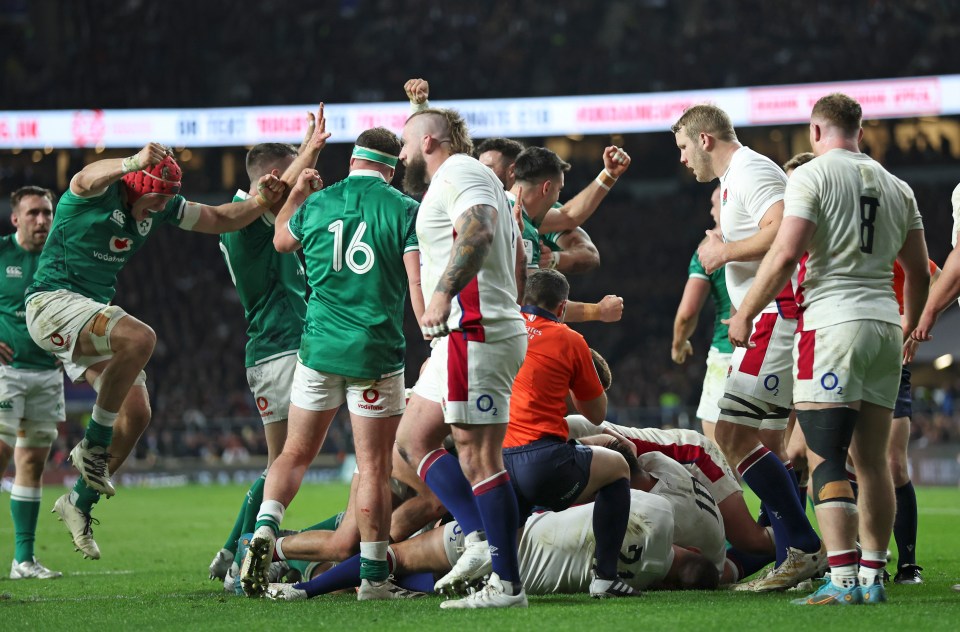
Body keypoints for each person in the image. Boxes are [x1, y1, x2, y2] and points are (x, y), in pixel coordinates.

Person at [24, 143, 286, 559]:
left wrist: (260, 201)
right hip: (51, 304)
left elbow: (219, 218)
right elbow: (82, 178)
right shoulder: (98, 192)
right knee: (141, 338)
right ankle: (92, 446)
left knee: (137, 413)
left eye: (167, 200)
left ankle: (78, 503)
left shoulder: (161, 206)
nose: (161, 208)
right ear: (136, 185)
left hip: (89, 315)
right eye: (156, 199)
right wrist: (129, 162)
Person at [726, 93, 929, 605]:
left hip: (832, 324)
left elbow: (786, 251)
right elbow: (920, 271)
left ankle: (841, 580)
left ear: (816, 132)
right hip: (884, 324)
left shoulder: (811, 176)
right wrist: (907, 325)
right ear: (859, 131)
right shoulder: (898, 186)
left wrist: (746, 310)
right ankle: (873, 576)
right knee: (875, 461)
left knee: (825, 458)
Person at [239, 126, 421, 601]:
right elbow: (417, 277)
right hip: (375, 354)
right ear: (391, 166)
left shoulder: (319, 204)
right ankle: (373, 579)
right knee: (374, 469)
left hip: (317, 352)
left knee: (294, 454)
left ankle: (263, 532)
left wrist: (297, 192)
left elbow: (280, 239)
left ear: (353, 162)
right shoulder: (405, 209)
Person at [672, 104, 823, 591]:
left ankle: (803, 548)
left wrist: (723, 251)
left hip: (773, 318)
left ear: (705, 140)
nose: (682, 160)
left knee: (733, 438)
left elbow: (785, 231)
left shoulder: (751, 168)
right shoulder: (739, 177)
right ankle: (790, 554)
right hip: (769, 319)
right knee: (764, 445)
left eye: (682, 148)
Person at [393, 106, 528, 609]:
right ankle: (475, 539)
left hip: (475, 328)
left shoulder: (462, 171)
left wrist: (444, 294)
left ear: (429, 143)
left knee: (478, 457)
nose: (400, 153)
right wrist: (419, 107)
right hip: (461, 334)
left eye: (405, 143)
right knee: (413, 437)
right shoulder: (450, 175)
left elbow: (479, 230)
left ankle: (507, 584)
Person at [209, 110, 329, 585]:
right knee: (286, 465)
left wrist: (305, 154)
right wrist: (312, 149)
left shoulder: (258, 215)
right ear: (274, 180)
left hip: (278, 349)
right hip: (279, 350)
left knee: (280, 464)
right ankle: (243, 560)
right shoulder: (248, 217)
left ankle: (229, 551)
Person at [264, 489, 719, 600]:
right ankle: (306, 575)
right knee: (413, 574)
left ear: (692, 551)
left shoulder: (659, 510)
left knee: (390, 552)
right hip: (517, 576)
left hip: (506, 534)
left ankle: (294, 571)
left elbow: (604, 485)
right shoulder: (645, 581)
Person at [504, 269, 637, 597]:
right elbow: (596, 414)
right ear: (562, 308)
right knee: (618, 467)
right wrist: (580, 372)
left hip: (498, 461)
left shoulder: (503, 327)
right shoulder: (569, 339)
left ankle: (505, 582)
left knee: (513, 514)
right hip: (543, 463)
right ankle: (605, 576)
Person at [0, 186, 63, 579]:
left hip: (46, 374)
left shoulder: (61, 255)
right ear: (15, 219)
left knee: (32, 462)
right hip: (7, 372)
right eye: (34, 213)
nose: (42, 220)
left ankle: (23, 560)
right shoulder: (3, 252)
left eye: (47, 212)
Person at [509, 147, 624, 323]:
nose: (557, 199)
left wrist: (609, 174)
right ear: (547, 188)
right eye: (559, 190)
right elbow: (535, 304)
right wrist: (598, 311)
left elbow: (568, 216)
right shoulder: (521, 228)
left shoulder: (503, 205)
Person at [671, 186, 732, 443]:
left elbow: (687, 312)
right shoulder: (771, 236)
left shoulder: (709, 246)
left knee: (715, 433)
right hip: (775, 343)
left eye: (715, 203)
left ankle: (734, 485)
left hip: (728, 348)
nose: (711, 210)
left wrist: (678, 343)